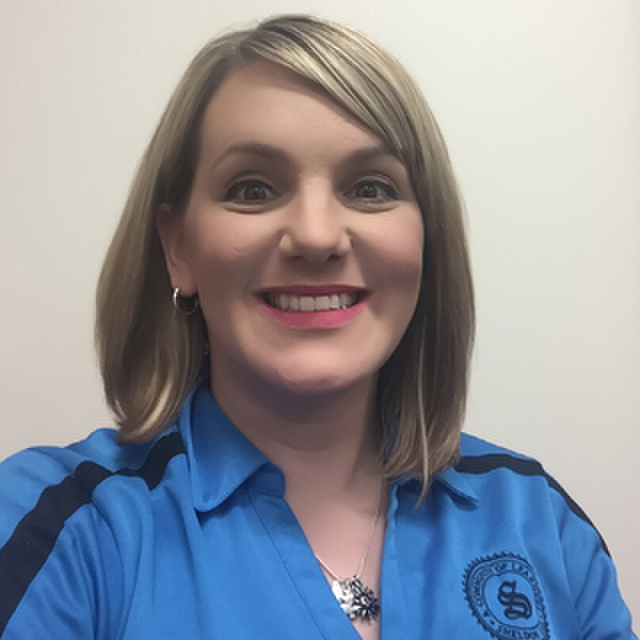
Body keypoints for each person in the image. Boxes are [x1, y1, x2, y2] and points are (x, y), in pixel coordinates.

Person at [0, 14, 635, 640]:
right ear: (178, 247)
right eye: (252, 189)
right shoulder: (62, 527)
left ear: (426, 240)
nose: (315, 235)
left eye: (370, 188)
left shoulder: (538, 521)